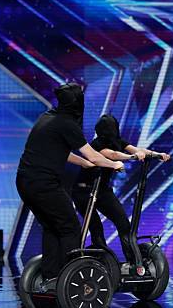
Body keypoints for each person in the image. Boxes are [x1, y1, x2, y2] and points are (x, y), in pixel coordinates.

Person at [16, 83, 124, 286]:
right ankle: (71, 280)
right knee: (71, 228)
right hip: (44, 184)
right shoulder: (67, 124)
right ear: (77, 102)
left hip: (25, 182)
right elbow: (93, 154)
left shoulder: (48, 117)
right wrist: (114, 164)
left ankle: (51, 277)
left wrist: (85, 163)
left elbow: (60, 151)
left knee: (52, 226)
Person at [72, 114, 170, 268]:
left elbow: (137, 149)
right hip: (84, 192)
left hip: (102, 191)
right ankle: (102, 263)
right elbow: (112, 155)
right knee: (96, 227)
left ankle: (133, 262)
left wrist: (156, 155)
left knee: (124, 224)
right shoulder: (96, 144)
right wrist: (131, 156)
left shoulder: (118, 141)